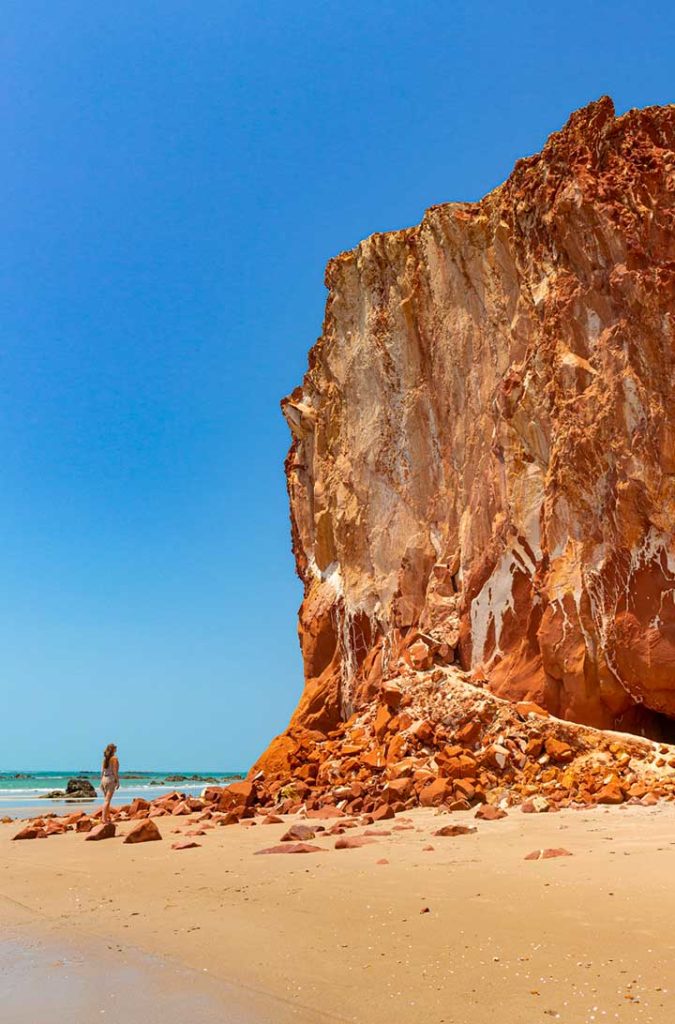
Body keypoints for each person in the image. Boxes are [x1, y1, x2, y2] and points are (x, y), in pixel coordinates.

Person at [100, 743, 119, 823]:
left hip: (104, 779)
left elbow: (102, 771)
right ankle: (104, 819)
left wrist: (101, 782)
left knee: (106, 800)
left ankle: (108, 818)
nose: (116, 749)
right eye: (115, 748)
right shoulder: (114, 759)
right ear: (113, 749)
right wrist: (117, 781)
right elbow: (115, 771)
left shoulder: (105, 759)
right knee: (107, 801)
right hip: (110, 779)